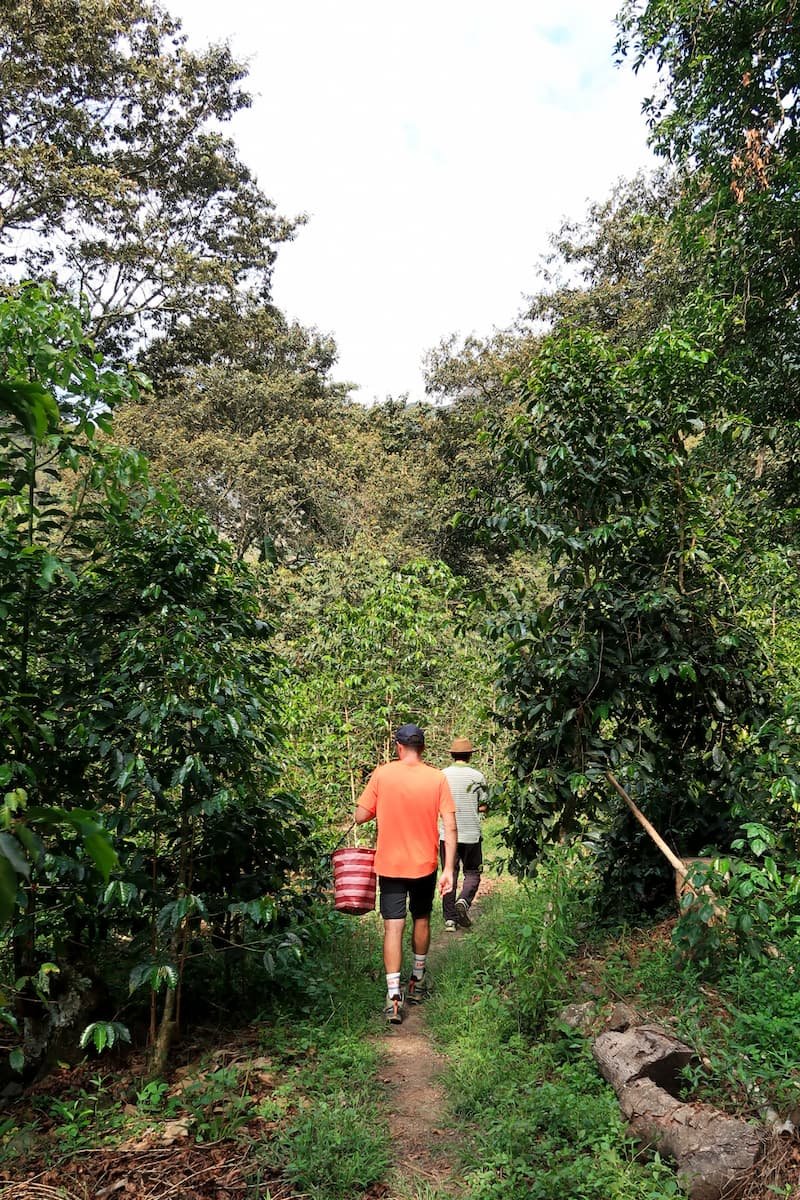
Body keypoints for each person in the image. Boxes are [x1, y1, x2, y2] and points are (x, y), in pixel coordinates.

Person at [355, 723, 456, 1025]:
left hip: (390, 865)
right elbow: (450, 826)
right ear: (422, 748)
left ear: (398, 747)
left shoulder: (382, 774)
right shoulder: (437, 778)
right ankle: (418, 980)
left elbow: (360, 816)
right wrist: (449, 868)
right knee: (421, 919)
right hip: (425, 865)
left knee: (393, 928)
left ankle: (393, 997)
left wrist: (376, 808)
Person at [440, 736, 487, 931]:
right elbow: (483, 805)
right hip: (471, 834)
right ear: (469, 755)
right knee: (472, 872)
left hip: (445, 835)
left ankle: (450, 919)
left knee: (449, 872)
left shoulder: (441, 775)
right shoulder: (477, 776)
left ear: (452, 755)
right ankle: (464, 901)